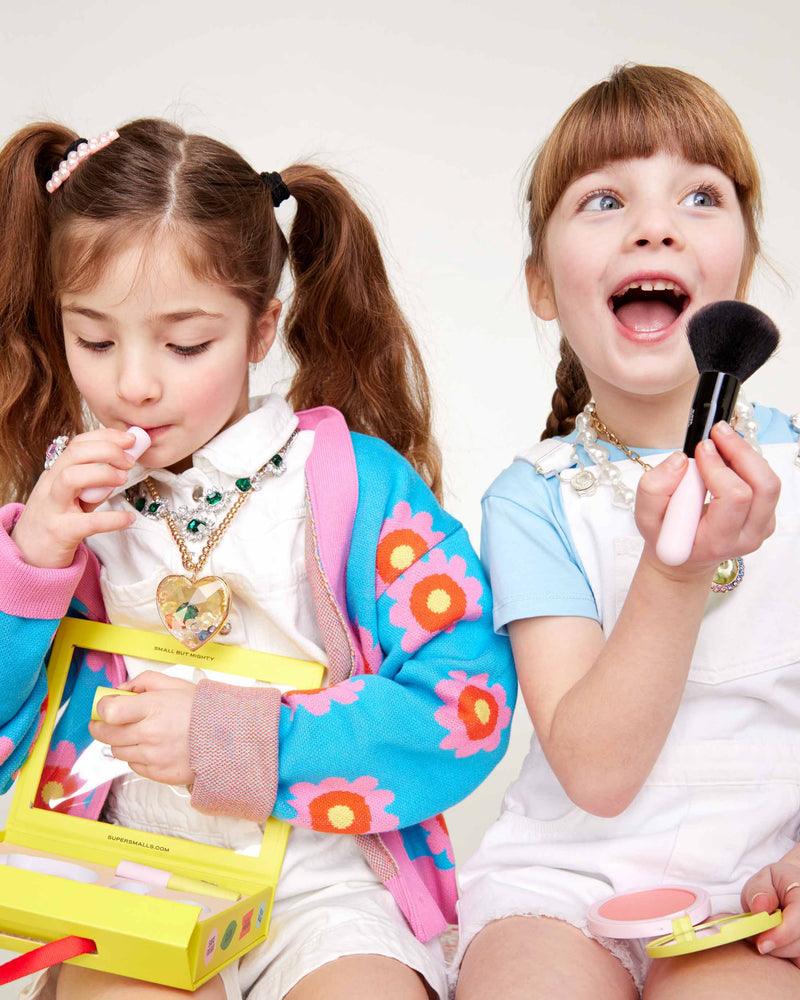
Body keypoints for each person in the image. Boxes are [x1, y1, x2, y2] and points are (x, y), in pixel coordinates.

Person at [0, 118, 515, 1000]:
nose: (135, 384)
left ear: (262, 326)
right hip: (130, 880)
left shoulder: (355, 486)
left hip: (324, 885)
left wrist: (230, 738)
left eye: (185, 344)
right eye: (94, 339)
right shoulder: (63, 507)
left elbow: (466, 705)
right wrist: (31, 567)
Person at [453, 64, 800, 999]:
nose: (655, 225)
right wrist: (673, 569)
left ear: (742, 266)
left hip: (752, 898)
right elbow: (597, 774)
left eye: (700, 195)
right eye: (604, 200)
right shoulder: (532, 500)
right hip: (559, 892)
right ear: (540, 284)